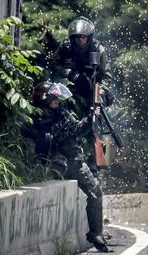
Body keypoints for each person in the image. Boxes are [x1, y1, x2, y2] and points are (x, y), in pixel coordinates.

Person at [21, 81, 109, 252]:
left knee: (96, 193)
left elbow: (76, 129)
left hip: (74, 160)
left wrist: (92, 118)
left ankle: (96, 233)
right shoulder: (32, 119)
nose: (57, 102)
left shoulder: (62, 114)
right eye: (54, 99)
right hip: (52, 164)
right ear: (44, 100)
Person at [51, 16, 114, 174]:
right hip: (69, 90)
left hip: (91, 90)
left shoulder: (98, 49)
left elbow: (107, 77)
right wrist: (69, 73)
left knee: (95, 123)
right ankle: (60, 156)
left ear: (89, 37)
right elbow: (54, 66)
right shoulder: (65, 47)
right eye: (77, 37)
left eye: (83, 37)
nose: (80, 40)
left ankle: (96, 163)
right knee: (62, 121)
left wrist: (100, 94)